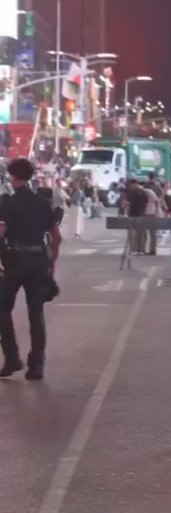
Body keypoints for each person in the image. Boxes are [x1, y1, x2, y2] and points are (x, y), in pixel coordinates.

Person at [0, 159, 61, 380]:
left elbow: (0, 231)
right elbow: (56, 236)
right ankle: (36, 365)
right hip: (39, 262)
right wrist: (51, 262)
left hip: (16, 262)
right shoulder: (43, 202)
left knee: (2, 308)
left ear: (13, 177)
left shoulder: (7, 202)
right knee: (36, 313)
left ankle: (12, 358)